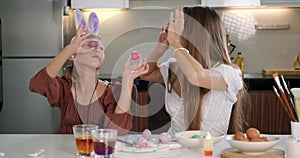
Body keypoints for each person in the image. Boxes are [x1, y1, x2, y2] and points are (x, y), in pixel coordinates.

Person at [29, 10, 149, 135]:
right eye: (89, 45)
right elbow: (36, 84)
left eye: (100, 48)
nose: (97, 49)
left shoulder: (114, 91)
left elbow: (117, 132)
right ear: (73, 56)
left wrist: (129, 80)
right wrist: (69, 50)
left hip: (100, 153)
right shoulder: (64, 88)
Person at [140, 6, 249, 136]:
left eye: (179, 26)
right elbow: (146, 74)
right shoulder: (175, 68)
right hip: (174, 148)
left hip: (209, 151)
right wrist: (160, 49)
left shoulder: (229, 72)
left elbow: (197, 77)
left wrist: (176, 43)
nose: (173, 31)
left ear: (193, 33)